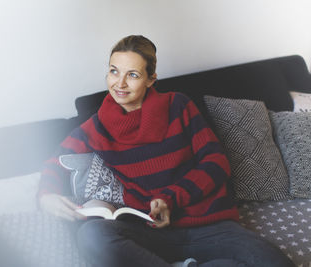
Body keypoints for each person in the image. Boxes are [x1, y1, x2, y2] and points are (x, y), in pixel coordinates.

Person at [38, 35, 294, 267]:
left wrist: (170, 199)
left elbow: (216, 162)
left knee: (271, 259)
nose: (120, 83)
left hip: (210, 227)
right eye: (114, 72)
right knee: (92, 236)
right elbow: (55, 162)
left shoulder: (178, 106)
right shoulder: (96, 126)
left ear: (151, 79)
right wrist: (45, 195)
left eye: (133, 75)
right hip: (148, 233)